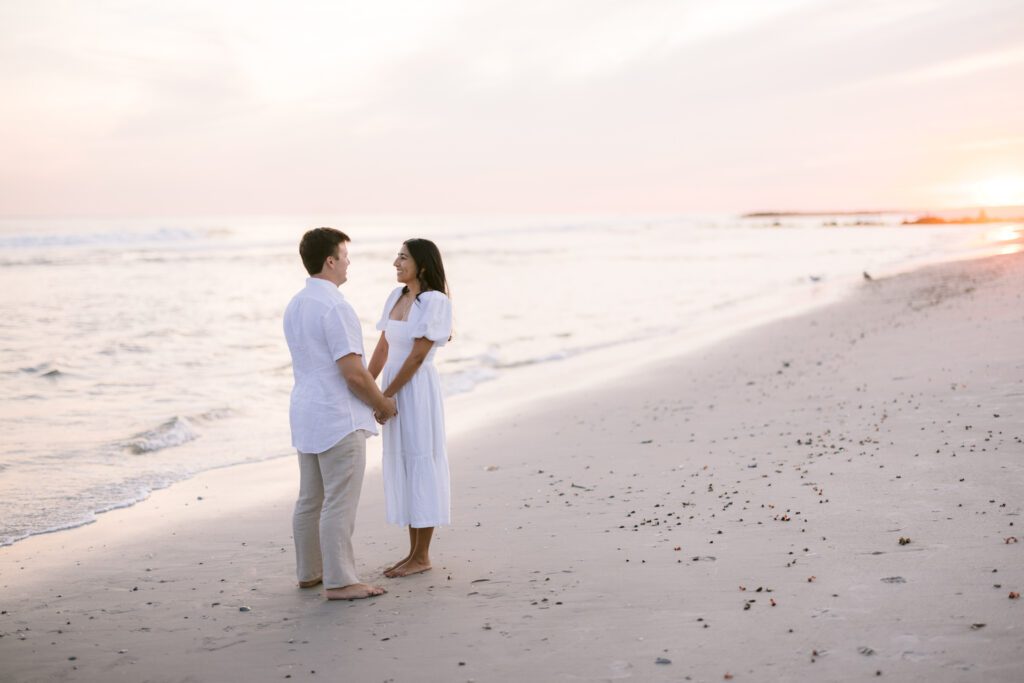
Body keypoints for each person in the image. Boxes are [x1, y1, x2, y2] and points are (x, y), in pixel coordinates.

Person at [283, 227, 397, 600]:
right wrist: (381, 403)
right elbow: (351, 371)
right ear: (330, 261)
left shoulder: (296, 304)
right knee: (338, 500)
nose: (349, 263)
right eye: (345, 256)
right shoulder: (335, 306)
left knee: (310, 498)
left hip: (305, 410)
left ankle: (310, 572)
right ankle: (341, 581)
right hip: (335, 415)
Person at [368, 238, 453, 578]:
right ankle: (412, 552)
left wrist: (387, 395)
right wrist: (368, 390)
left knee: (421, 459)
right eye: (397, 256)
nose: (396, 263)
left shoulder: (435, 301)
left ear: (422, 264)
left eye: (403, 258)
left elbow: (418, 356)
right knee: (404, 461)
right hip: (393, 387)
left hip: (415, 389)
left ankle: (423, 556)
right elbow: (383, 348)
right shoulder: (396, 296)